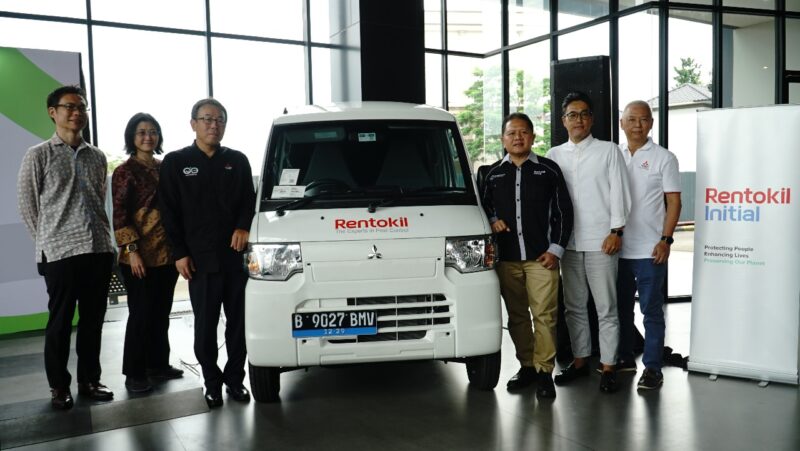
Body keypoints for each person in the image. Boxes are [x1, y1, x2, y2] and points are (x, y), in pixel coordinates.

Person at [17, 86, 116, 409]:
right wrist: (48, 240)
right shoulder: (38, 155)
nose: (77, 113)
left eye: (82, 107)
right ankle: (59, 386)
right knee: (60, 323)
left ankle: (90, 380)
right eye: (70, 107)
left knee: (93, 321)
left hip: (98, 249)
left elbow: (98, 200)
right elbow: (27, 206)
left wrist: (106, 243)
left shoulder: (97, 156)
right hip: (60, 253)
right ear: (53, 112)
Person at [158, 98, 256, 408]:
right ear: (193, 124)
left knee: (238, 325)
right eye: (207, 119)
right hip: (199, 260)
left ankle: (235, 380)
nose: (214, 125)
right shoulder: (176, 162)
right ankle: (211, 382)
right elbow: (168, 211)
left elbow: (248, 200)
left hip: (235, 258)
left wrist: (243, 226)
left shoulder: (237, 160)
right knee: (205, 326)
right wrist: (180, 252)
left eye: (220, 120)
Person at [481, 113, 573, 399]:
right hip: (506, 260)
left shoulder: (549, 170)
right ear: (503, 139)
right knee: (517, 316)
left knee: (545, 316)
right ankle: (527, 367)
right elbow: (483, 208)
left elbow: (564, 212)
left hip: (541, 259)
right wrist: (492, 219)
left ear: (532, 137)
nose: (517, 138)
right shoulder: (492, 174)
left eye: (523, 132)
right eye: (512, 133)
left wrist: (556, 250)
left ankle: (545, 372)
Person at [546, 91, 631, 393]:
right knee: (574, 307)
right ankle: (580, 360)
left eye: (584, 114)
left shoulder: (609, 151)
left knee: (606, 307)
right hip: (568, 244)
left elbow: (620, 192)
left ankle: (608, 366)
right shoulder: (554, 155)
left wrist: (616, 231)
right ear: (563, 120)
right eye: (572, 114)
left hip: (601, 241)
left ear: (591, 119)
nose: (578, 120)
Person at [112, 113, 183, 393]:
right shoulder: (124, 171)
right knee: (140, 315)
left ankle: (158, 364)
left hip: (165, 254)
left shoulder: (165, 168)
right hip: (137, 257)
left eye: (153, 132)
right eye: (141, 132)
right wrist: (132, 251)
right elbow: (120, 215)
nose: (148, 137)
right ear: (132, 137)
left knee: (161, 313)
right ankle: (134, 373)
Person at [616, 100, 681, 390]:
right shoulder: (613, 155)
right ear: (622, 123)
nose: (637, 125)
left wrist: (666, 240)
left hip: (650, 250)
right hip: (617, 250)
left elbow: (674, 202)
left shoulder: (664, 158)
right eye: (631, 119)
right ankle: (625, 357)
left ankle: (653, 368)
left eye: (643, 119)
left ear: (651, 124)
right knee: (620, 310)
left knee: (651, 312)